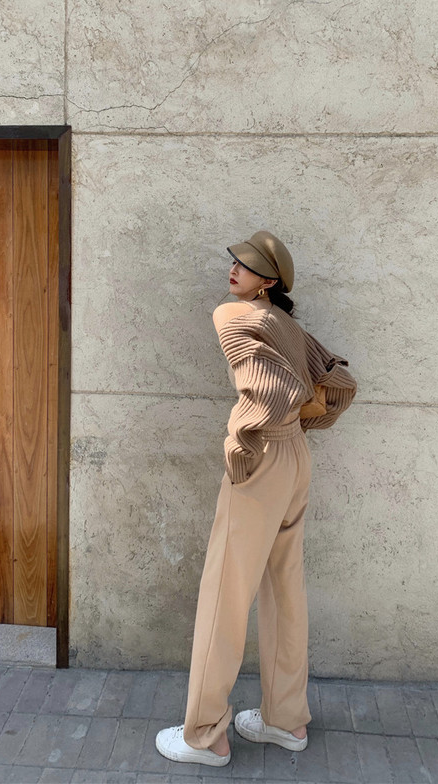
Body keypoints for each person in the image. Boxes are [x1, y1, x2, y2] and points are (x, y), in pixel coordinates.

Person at [156, 231, 357, 767]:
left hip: (264, 456)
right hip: (294, 457)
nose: (234, 270)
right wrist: (299, 413)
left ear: (268, 281)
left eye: (247, 266)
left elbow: (267, 387)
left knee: (225, 591)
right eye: (235, 261)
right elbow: (334, 383)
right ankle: (286, 720)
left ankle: (205, 735)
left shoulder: (234, 315)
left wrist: (241, 438)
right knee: (284, 587)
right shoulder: (287, 325)